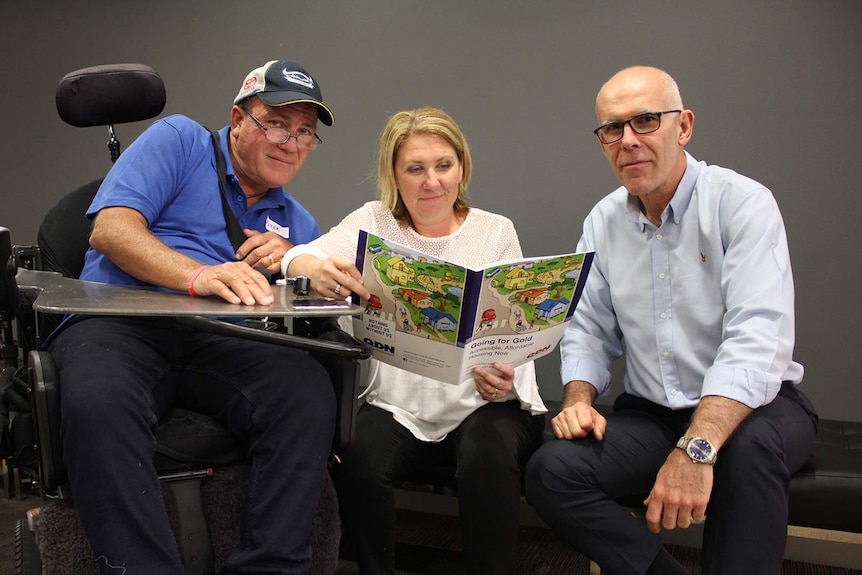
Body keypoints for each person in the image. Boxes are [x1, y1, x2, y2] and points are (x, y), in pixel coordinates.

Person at [524, 66, 819, 575]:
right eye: (612, 129)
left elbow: (758, 337)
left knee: (747, 453)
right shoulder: (602, 221)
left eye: (645, 121)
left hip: (757, 409)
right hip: (654, 413)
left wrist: (697, 448)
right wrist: (578, 401)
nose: (629, 140)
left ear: (683, 126)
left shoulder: (742, 204)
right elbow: (587, 328)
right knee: (553, 470)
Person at [47, 60, 337, 574]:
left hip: (222, 339)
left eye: (305, 133)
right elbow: (111, 231)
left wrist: (296, 261)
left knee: (307, 392)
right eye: (275, 123)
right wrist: (197, 275)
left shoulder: (297, 221)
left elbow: (308, 300)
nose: (290, 142)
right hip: (121, 322)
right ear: (239, 118)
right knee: (98, 402)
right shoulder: (179, 141)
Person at [282, 107, 547, 574]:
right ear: (394, 175)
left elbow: (515, 328)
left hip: (481, 401)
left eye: (443, 165)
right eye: (415, 169)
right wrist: (311, 268)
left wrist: (503, 376)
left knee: (489, 454)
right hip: (397, 402)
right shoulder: (372, 224)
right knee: (358, 455)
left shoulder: (494, 231)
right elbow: (305, 254)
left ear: (461, 167)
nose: (432, 182)